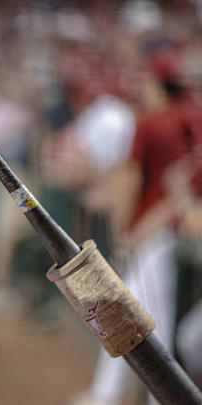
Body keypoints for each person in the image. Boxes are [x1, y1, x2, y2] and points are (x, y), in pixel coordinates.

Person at [72, 39, 202, 405]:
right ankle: (127, 394)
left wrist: (125, 232)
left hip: (157, 234)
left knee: (135, 317)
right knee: (155, 321)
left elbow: (130, 179)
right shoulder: (194, 116)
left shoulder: (152, 122)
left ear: (156, 83)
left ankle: (114, 395)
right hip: (179, 231)